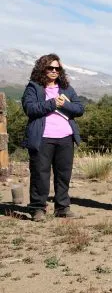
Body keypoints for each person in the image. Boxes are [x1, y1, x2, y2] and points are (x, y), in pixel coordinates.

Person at [21, 54, 85, 221]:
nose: (54, 71)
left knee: (63, 174)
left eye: (57, 68)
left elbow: (79, 109)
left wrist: (64, 104)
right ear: (43, 69)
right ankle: (37, 209)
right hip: (42, 138)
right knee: (40, 174)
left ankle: (62, 208)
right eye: (50, 68)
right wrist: (52, 103)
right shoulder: (33, 87)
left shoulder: (66, 88)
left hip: (65, 137)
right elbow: (30, 109)